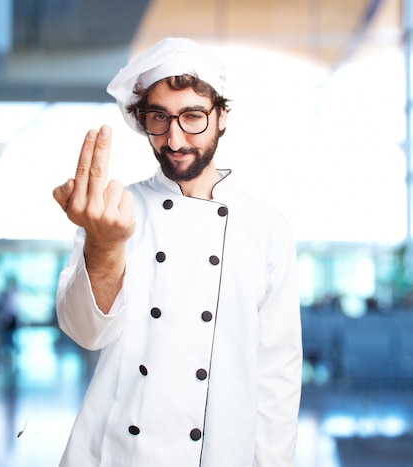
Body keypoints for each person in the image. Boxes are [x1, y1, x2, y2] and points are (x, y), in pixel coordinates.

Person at [52, 37, 303, 466]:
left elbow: (276, 376)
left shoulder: (268, 228)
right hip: (116, 453)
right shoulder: (114, 211)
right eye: (159, 118)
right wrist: (104, 246)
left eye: (192, 117)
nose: (175, 138)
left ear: (221, 116)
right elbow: (84, 332)